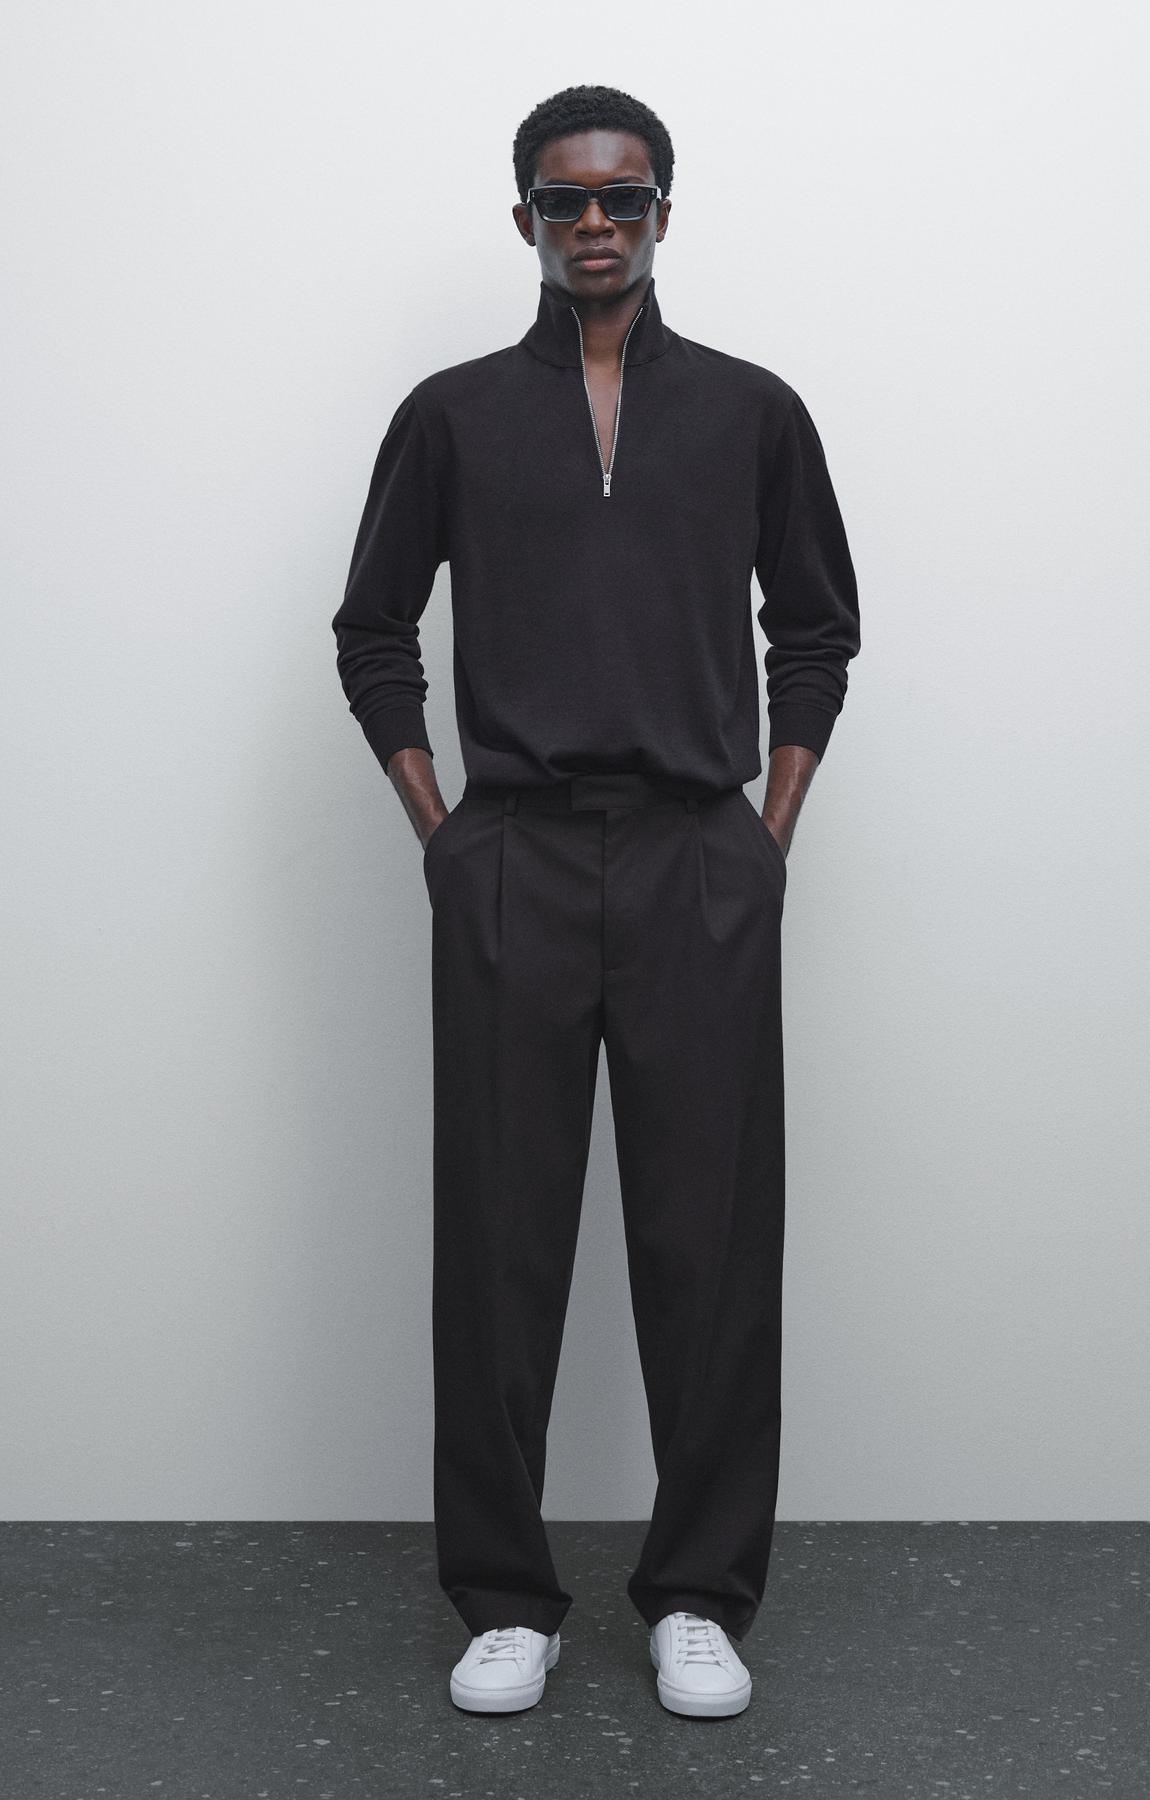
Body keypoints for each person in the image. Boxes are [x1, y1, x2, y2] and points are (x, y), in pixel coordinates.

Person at [331, 83, 861, 1719]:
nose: (594, 223)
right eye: (563, 200)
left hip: (703, 857)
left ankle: (697, 1594)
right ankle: (507, 1598)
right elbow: (372, 631)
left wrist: (766, 837)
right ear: (526, 222)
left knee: (714, 1247)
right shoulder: (452, 416)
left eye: (622, 196)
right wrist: (444, 835)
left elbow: (817, 633)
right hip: (517, 856)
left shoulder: (755, 412)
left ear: (663, 212)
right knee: (498, 1242)